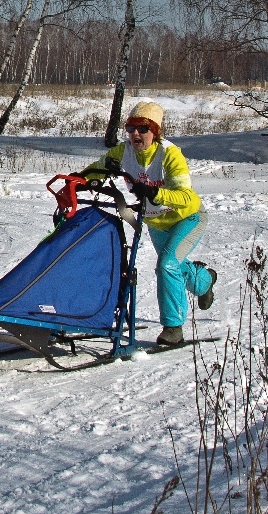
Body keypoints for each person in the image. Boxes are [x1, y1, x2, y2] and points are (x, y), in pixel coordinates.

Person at [86, 101, 217, 346]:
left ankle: (173, 328)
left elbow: (187, 196)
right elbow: (96, 169)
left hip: (187, 217)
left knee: (167, 265)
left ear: (155, 132)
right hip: (157, 222)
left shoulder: (170, 153)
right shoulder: (123, 151)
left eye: (143, 129)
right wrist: (79, 180)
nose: (136, 133)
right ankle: (205, 280)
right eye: (131, 128)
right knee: (173, 266)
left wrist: (157, 194)